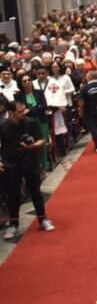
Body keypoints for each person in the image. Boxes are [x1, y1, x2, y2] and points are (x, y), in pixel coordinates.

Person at [1, 99, 54, 239]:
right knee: (13, 196)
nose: (24, 113)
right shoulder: (2, 125)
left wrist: (33, 146)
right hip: (10, 164)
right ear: (11, 113)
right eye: (20, 111)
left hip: (29, 162)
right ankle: (13, 225)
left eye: (25, 110)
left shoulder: (31, 122)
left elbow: (41, 139)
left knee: (35, 191)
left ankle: (43, 219)